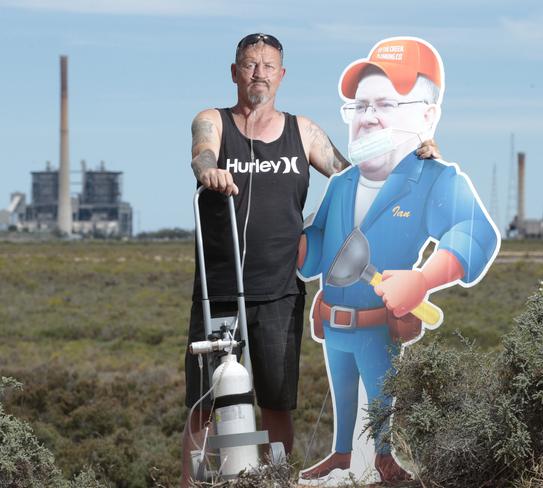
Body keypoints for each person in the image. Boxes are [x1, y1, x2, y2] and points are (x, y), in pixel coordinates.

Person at [181, 33, 440, 486]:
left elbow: (355, 178)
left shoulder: (302, 132)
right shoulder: (213, 120)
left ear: (281, 75)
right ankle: (191, 483)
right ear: (234, 72)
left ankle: (275, 481)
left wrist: (415, 164)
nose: (258, 73)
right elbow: (202, 153)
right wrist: (209, 171)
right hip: (219, 288)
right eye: (249, 64)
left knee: (276, 402)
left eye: (267, 65)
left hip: (279, 290)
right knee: (205, 402)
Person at [298, 37, 500, 483]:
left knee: (381, 402)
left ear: (426, 114)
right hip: (332, 324)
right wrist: (286, 242)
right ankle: (341, 455)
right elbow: (314, 251)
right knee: (344, 399)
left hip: (377, 325)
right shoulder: (342, 184)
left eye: (385, 104)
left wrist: (423, 279)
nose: (368, 117)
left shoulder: (434, 180)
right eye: (359, 105)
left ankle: (384, 460)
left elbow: (475, 233)